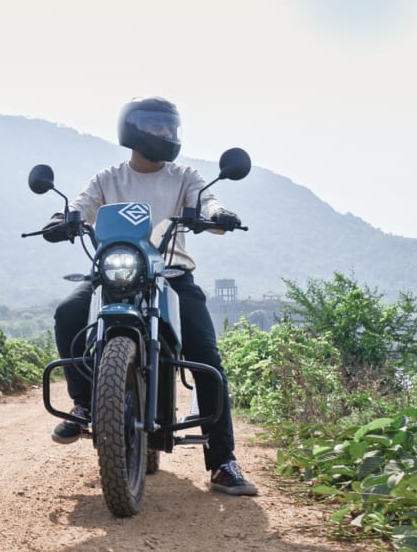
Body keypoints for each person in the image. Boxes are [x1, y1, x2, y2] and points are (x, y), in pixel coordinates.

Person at [43, 97, 258, 496]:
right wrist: (62, 218)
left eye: (170, 127)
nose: (165, 134)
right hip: (115, 274)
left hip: (172, 275)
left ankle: (223, 462)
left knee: (206, 355)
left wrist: (217, 214)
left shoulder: (184, 176)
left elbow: (207, 200)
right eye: (157, 126)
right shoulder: (108, 178)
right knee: (68, 313)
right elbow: (81, 206)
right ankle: (84, 403)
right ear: (133, 130)